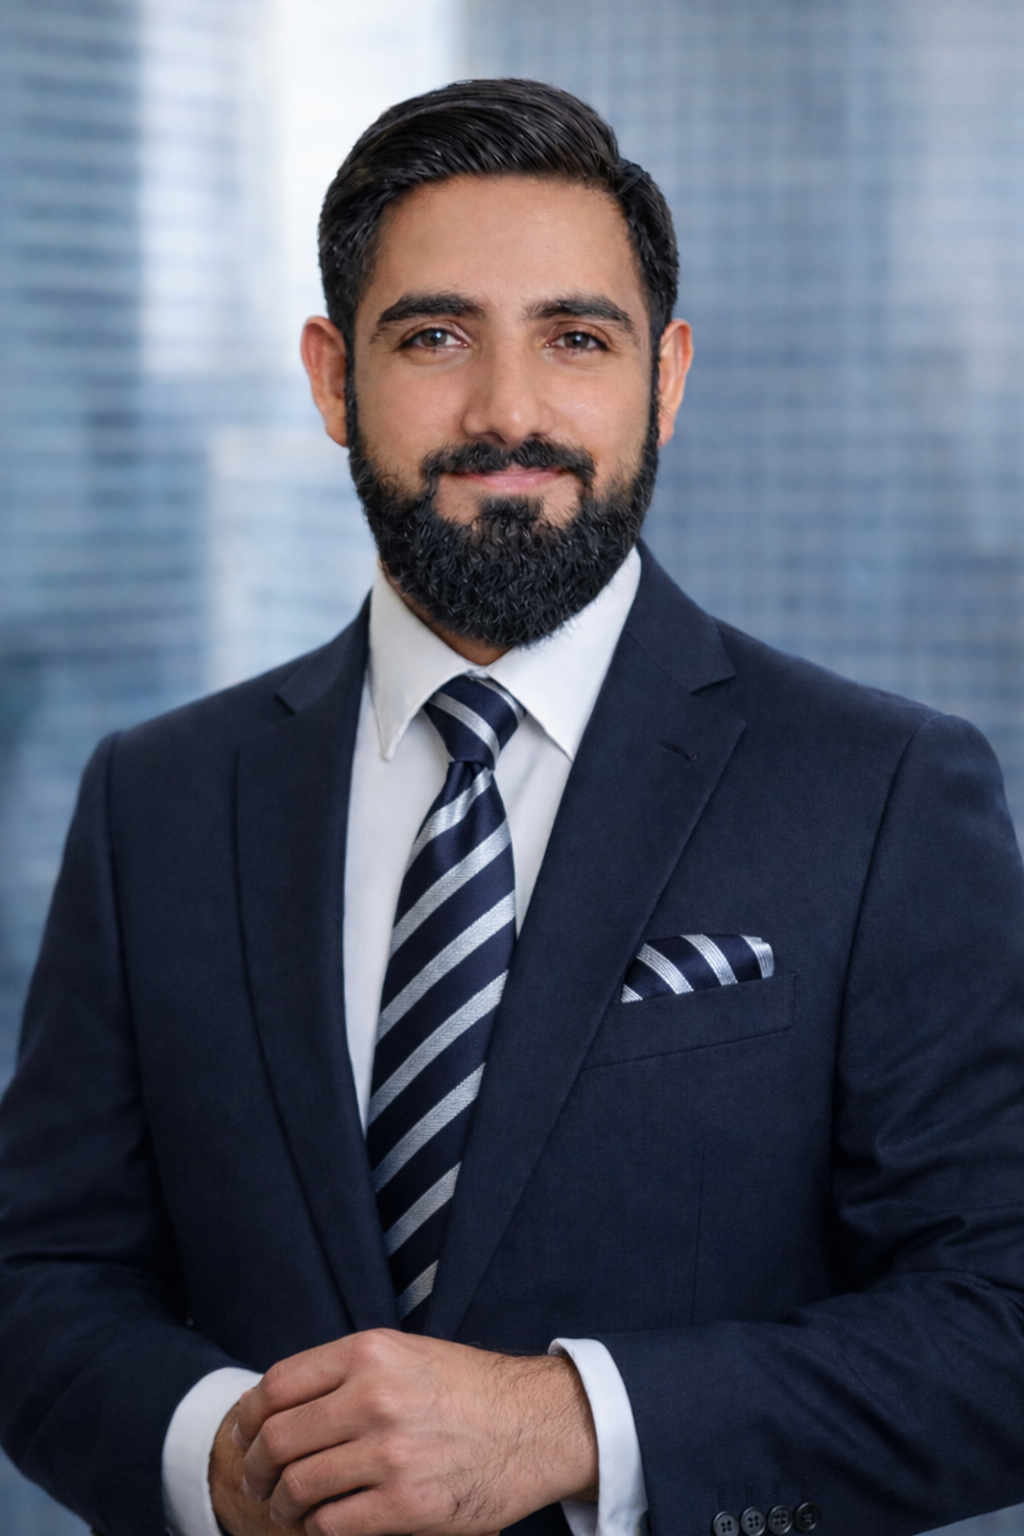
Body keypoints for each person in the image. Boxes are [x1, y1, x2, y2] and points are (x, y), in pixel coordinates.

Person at [1, 77, 1023, 1536]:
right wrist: (218, 1458)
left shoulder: (884, 792)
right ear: (329, 376)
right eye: (432, 337)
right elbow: (40, 1279)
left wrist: (572, 1423)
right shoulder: (156, 800)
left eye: (576, 340)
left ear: (663, 378)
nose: (508, 413)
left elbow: (999, 1328)